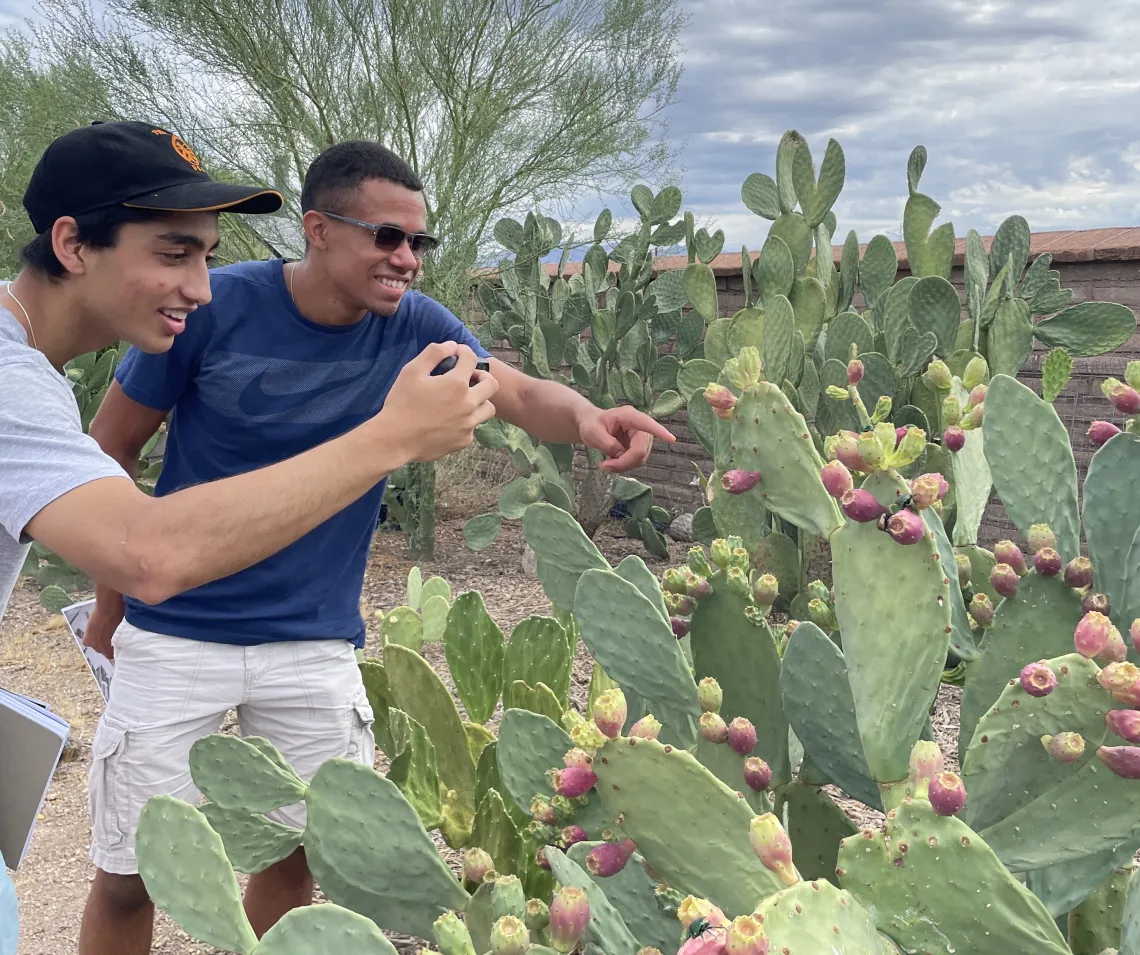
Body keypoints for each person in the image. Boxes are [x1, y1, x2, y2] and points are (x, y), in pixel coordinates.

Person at [78, 138, 675, 952]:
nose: (408, 258)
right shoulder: (212, 307)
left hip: (315, 640)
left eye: (420, 242)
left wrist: (587, 419)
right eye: (386, 236)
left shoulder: (416, 330)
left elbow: (516, 390)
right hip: (177, 627)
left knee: (297, 855)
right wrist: (112, 605)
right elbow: (107, 449)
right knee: (129, 872)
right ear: (318, 228)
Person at [0, 119, 501, 945]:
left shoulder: (33, 375)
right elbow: (148, 552)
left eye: (206, 254)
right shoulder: (12, 382)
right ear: (72, 242)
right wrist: (389, 437)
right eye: (173, 253)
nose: (201, 288)